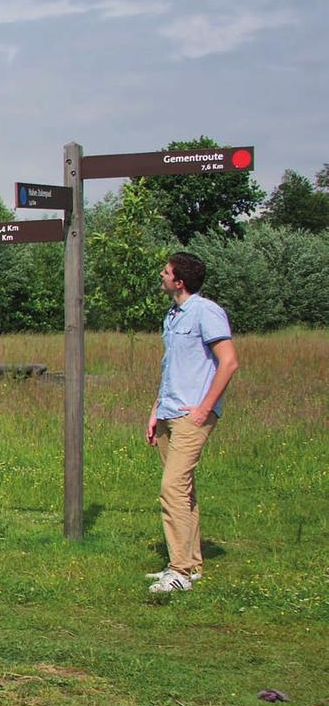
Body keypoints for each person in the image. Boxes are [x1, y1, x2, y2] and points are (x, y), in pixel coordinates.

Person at [145, 252, 238, 593]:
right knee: (183, 490)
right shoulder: (172, 316)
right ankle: (192, 564)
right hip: (169, 412)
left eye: (166, 271)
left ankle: (179, 570)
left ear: (179, 281)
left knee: (171, 488)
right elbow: (171, 367)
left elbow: (228, 362)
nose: (162, 274)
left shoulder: (206, 312)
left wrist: (204, 409)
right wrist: (155, 410)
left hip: (191, 416)